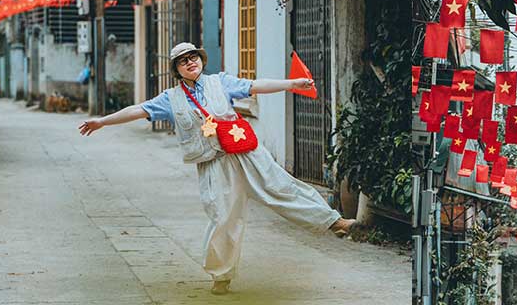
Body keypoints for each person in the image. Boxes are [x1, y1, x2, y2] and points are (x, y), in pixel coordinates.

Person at [78, 42, 356, 295]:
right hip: (214, 163)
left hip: (247, 152)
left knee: (281, 187)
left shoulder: (220, 82)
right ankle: (221, 276)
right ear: (176, 69)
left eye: (193, 57)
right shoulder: (170, 99)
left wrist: (292, 83)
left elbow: (255, 86)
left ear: (201, 59)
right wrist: (102, 121)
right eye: (182, 61)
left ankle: (333, 222)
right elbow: (138, 110)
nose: (190, 63)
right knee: (223, 216)